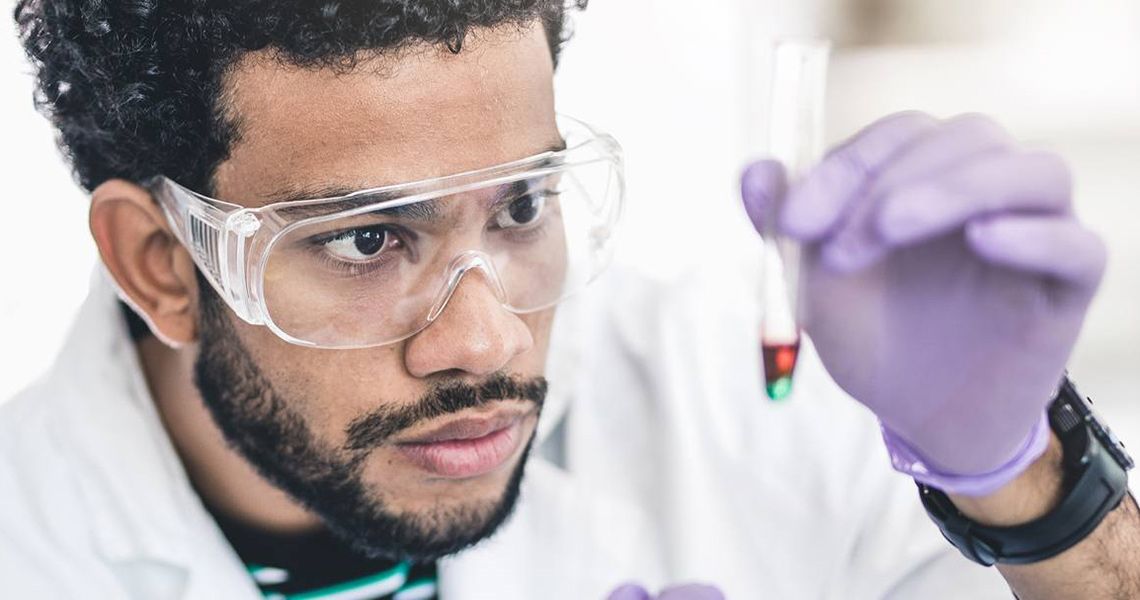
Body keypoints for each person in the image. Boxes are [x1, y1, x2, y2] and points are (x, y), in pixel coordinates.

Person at [2, 1, 1137, 598]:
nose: (488, 336)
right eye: (364, 239)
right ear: (158, 262)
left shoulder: (741, 404)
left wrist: (1022, 478)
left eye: (523, 206)